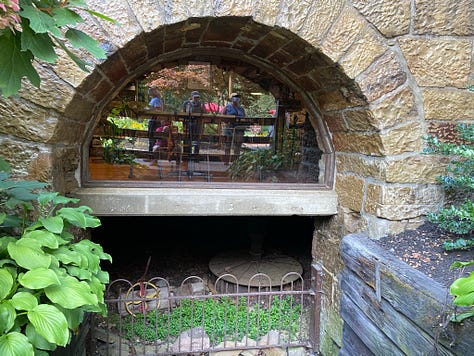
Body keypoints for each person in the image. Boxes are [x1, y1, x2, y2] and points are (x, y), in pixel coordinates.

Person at [221, 93, 246, 163]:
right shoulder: (227, 107)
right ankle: (226, 160)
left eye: (238, 97)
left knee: (237, 145)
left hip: (239, 128)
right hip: (228, 127)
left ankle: (236, 162)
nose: (236, 98)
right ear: (231, 98)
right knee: (227, 144)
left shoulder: (241, 108)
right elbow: (222, 117)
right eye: (235, 97)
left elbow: (244, 117)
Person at [147, 86, 163, 152]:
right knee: (152, 138)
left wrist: (149, 110)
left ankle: (152, 153)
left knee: (153, 138)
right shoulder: (154, 99)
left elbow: (158, 110)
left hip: (154, 121)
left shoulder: (156, 100)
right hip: (153, 120)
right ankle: (151, 152)